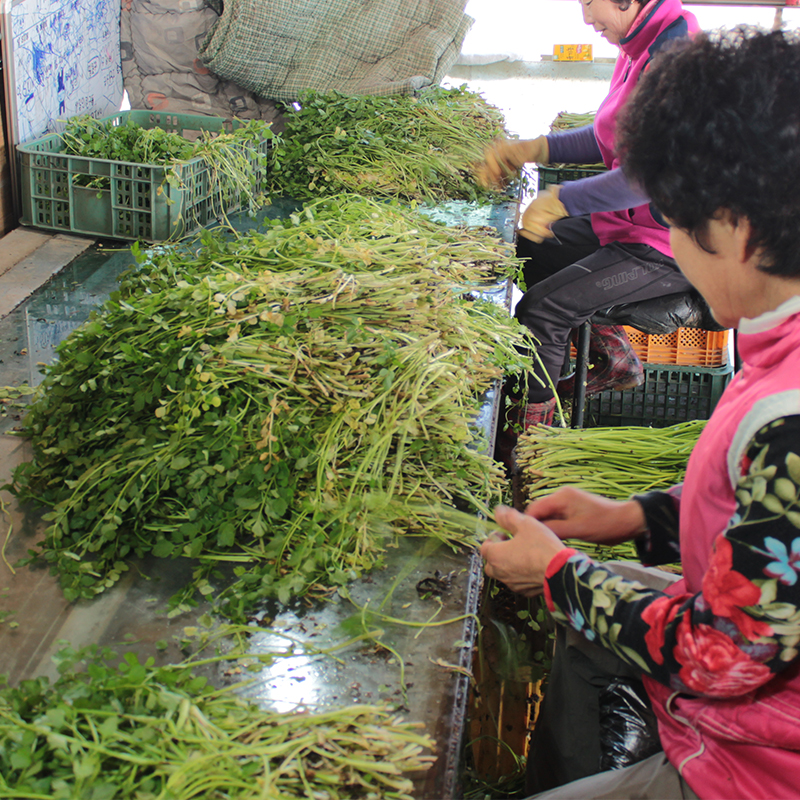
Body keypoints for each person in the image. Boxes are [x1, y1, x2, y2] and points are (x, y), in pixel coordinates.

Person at [480, 26, 800, 800]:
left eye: (678, 225)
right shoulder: (777, 351)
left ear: (735, 228)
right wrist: (636, 517)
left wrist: (559, 577)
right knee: (594, 628)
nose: (675, 251)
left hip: (757, 769)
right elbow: (768, 518)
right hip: (748, 706)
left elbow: (729, 654)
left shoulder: (789, 418)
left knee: (585, 606)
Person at [479, 0, 700, 430]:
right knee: (533, 246)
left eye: (588, 1)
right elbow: (611, 133)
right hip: (633, 223)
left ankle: (529, 433)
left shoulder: (676, 55)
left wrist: (561, 199)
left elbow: (643, 175)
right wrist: (534, 148)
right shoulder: (639, 43)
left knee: (542, 311)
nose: (585, 17)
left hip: (672, 244)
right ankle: (614, 357)